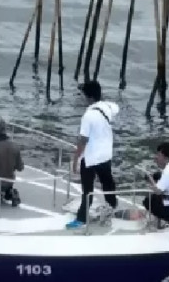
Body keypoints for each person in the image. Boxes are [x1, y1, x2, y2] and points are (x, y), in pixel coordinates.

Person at [67, 80, 120, 229]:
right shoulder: (108, 107)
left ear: (88, 97)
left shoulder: (88, 115)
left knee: (87, 190)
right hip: (106, 155)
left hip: (90, 158)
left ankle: (81, 218)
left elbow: (83, 140)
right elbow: (116, 108)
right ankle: (112, 206)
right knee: (108, 183)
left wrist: (76, 159)